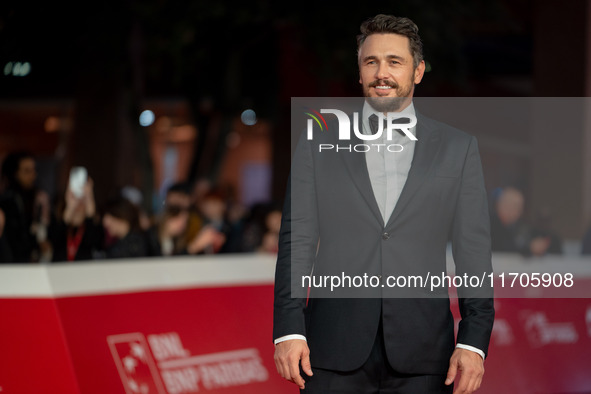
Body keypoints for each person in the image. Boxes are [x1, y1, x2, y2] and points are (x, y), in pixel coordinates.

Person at [273, 14, 494, 394]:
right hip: (330, 349)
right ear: (359, 72)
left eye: (395, 61)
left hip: (425, 354)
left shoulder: (458, 149)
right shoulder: (317, 143)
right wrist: (289, 329)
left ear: (418, 71)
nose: (381, 72)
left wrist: (473, 340)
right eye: (371, 61)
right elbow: (297, 242)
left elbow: (472, 251)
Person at [0, 151, 51, 262]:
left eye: (33, 170)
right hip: (13, 265)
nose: (33, 175)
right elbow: (13, 241)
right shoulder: (8, 202)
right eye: (27, 171)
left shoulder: (36, 198)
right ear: (15, 173)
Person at [48, 178, 103, 262]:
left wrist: (89, 202)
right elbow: (54, 240)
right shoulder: (57, 220)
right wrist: (70, 208)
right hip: (59, 271)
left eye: (83, 196)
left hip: (85, 271)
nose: (79, 199)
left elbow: (95, 242)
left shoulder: (93, 223)